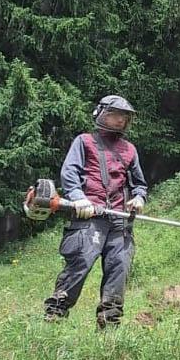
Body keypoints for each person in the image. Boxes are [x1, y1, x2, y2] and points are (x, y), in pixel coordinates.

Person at [43, 95, 148, 328]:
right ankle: (54, 316)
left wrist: (139, 198)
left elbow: (139, 183)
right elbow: (70, 173)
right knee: (80, 263)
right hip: (89, 216)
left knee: (118, 269)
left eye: (124, 117)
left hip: (119, 221)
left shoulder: (130, 150)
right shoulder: (84, 141)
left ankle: (109, 323)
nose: (119, 120)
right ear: (100, 114)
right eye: (114, 114)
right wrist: (79, 198)